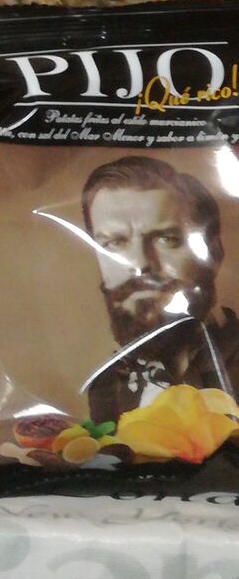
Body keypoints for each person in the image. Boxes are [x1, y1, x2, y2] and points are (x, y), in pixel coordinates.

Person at [80, 153, 239, 420]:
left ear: (213, 252)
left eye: (167, 239)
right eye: (114, 243)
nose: (140, 263)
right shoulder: (107, 386)